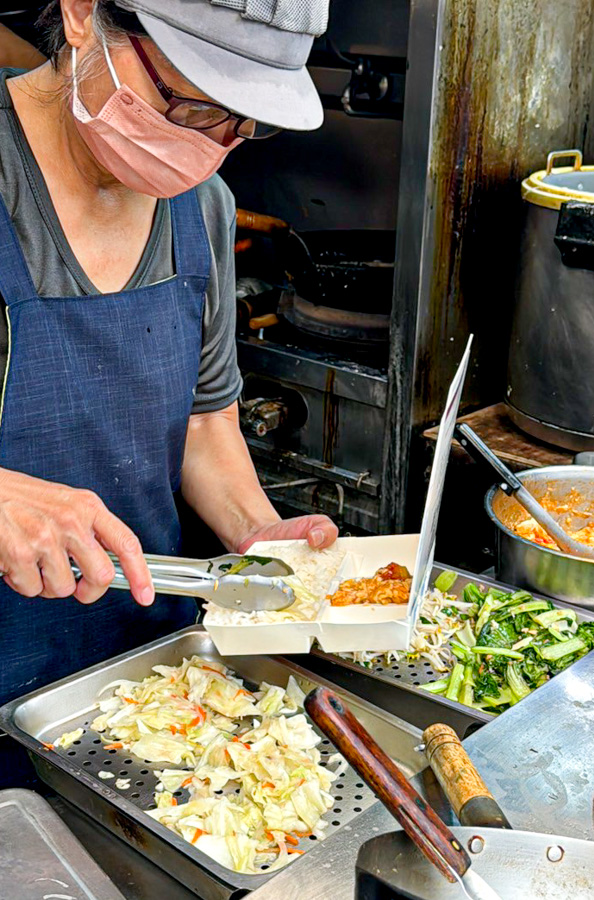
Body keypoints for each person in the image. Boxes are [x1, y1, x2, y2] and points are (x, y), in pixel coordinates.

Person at [0, 0, 336, 785]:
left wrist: (258, 533)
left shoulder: (204, 207)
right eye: (189, 105)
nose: (209, 148)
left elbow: (200, 418)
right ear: (83, 15)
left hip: (139, 692)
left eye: (240, 125)